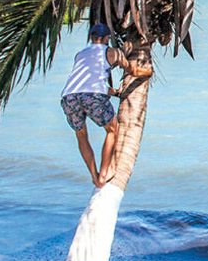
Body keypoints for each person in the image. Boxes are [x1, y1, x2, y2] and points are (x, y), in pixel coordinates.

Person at [59, 22, 153, 187]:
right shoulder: (112, 52)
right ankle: (103, 174)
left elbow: (88, 82)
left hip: (69, 96)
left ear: (92, 37)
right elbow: (134, 71)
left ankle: (94, 176)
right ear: (106, 38)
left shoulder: (80, 54)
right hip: (93, 95)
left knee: (81, 135)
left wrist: (114, 92)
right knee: (112, 130)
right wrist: (148, 71)